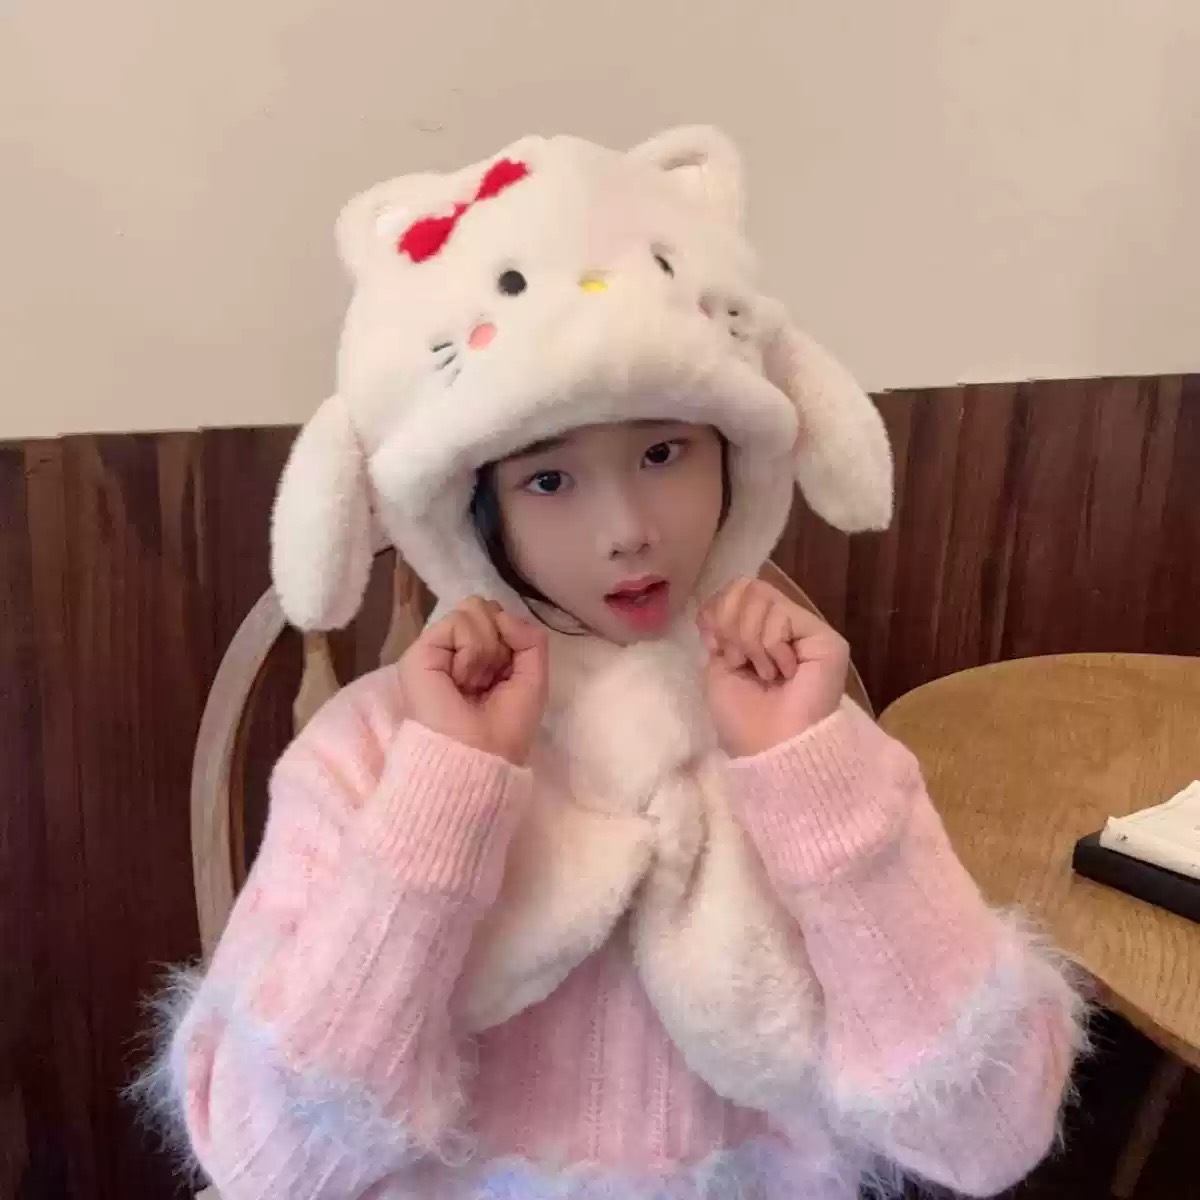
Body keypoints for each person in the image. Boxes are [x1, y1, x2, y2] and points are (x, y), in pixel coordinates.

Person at [144, 127, 1085, 1200]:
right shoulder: (370, 750)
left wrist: (814, 783)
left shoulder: (804, 732)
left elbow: (988, 1135)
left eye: (662, 452)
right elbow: (268, 1162)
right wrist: (443, 794)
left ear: (736, 454)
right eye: (549, 480)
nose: (630, 529)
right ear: (465, 509)